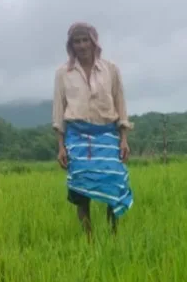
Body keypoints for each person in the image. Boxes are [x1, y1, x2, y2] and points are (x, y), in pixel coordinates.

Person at [53, 23, 134, 236]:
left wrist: (123, 139)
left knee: (114, 185)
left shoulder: (111, 70)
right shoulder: (63, 73)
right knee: (81, 189)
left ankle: (113, 236)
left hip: (107, 135)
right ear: (71, 45)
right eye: (76, 41)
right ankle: (89, 241)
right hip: (77, 137)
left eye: (85, 40)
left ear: (93, 42)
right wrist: (61, 146)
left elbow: (120, 103)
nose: (81, 45)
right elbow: (59, 110)